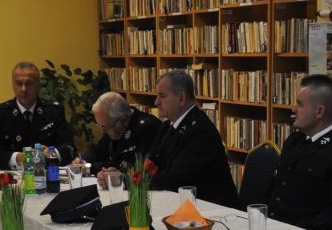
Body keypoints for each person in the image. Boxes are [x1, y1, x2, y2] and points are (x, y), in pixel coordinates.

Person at [267, 74, 332, 230]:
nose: (293, 109)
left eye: (299, 104)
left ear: (319, 111)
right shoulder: (295, 141)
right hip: (276, 229)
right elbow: (277, 192)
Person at [148, 70, 239, 208]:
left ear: (181, 98)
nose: (156, 102)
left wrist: (140, 179)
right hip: (183, 204)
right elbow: (150, 164)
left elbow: (174, 180)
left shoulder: (201, 132)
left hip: (215, 211)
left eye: (162, 96)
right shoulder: (166, 127)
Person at [0, 62, 75, 169]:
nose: (23, 89)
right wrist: (18, 158)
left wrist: (50, 154)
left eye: (29, 84)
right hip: (14, 176)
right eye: (19, 83)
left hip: (46, 174)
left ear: (39, 86)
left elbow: (69, 148)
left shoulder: (53, 111)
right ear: (13, 85)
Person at [82, 91, 160, 180]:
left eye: (104, 127)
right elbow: (99, 149)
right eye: (100, 126)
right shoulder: (114, 124)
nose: (102, 130)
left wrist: (90, 168)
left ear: (124, 120)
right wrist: (82, 161)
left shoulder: (147, 128)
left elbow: (129, 167)